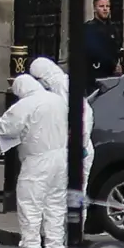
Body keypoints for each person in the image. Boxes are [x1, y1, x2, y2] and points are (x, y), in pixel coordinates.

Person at [0, 75, 68, 248]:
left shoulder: (27, 104)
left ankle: (31, 246)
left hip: (37, 159)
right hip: (61, 157)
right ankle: (55, 246)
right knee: (56, 203)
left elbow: (6, 127)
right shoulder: (58, 100)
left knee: (30, 203)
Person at [29, 57, 95, 225]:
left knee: (73, 194)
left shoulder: (62, 87)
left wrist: (79, 145)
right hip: (67, 149)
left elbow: (83, 117)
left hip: (77, 150)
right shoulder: (58, 87)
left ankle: (73, 234)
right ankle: (65, 234)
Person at [84, 0, 124, 94]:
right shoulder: (89, 28)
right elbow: (94, 51)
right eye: (101, 6)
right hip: (96, 76)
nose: (105, 9)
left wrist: (120, 64)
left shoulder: (114, 28)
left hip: (113, 77)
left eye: (107, 6)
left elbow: (118, 48)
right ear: (95, 8)